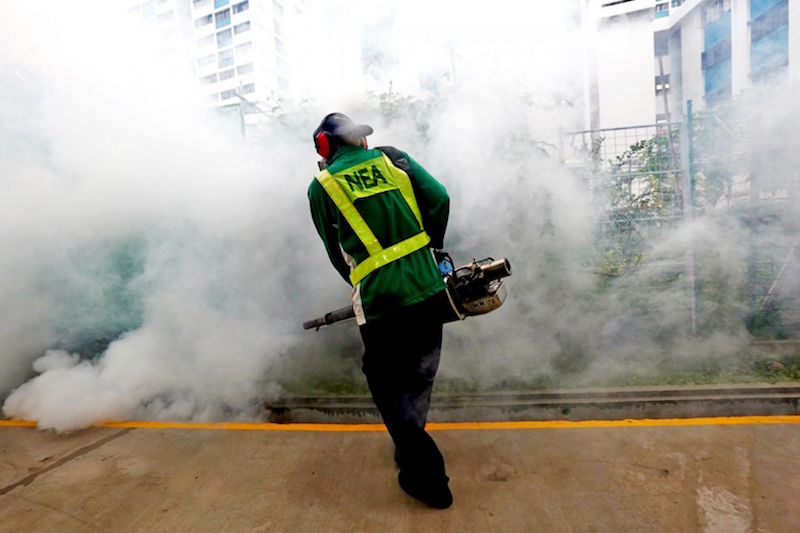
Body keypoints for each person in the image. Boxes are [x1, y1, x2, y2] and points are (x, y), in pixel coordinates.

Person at [307, 112, 455, 509]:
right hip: (429, 285)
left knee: (385, 383)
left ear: (324, 146)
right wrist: (431, 248)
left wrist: (360, 280)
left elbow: (334, 252)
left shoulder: (322, 185)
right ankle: (409, 447)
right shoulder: (395, 159)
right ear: (360, 140)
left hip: (380, 299)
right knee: (419, 374)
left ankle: (428, 479)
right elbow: (440, 199)